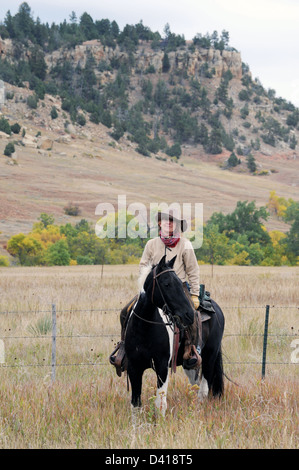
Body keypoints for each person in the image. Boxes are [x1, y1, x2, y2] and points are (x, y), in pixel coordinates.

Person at [110, 209, 202, 377]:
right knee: (126, 312)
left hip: (178, 289)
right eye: (166, 220)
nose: (169, 223)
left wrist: (194, 294)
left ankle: (190, 349)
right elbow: (143, 266)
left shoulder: (185, 245)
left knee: (192, 316)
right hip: (153, 289)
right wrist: (147, 282)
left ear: (177, 225)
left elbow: (193, 271)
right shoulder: (151, 244)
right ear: (160, 223)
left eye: (172, 221)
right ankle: (125, 348)